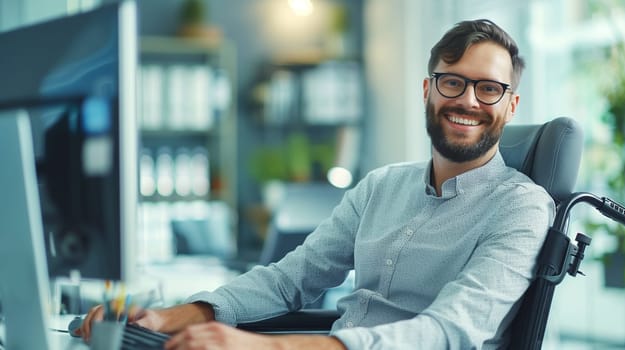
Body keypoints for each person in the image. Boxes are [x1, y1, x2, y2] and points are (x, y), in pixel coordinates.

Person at [79, 18, 554, 349]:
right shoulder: (381, 186)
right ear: (427, 90)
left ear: (510, 106)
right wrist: (169, 317)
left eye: (489, 88)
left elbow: (447, 332)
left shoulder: (523, 208)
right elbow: (290, 280)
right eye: (452, 82)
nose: (468, 100)